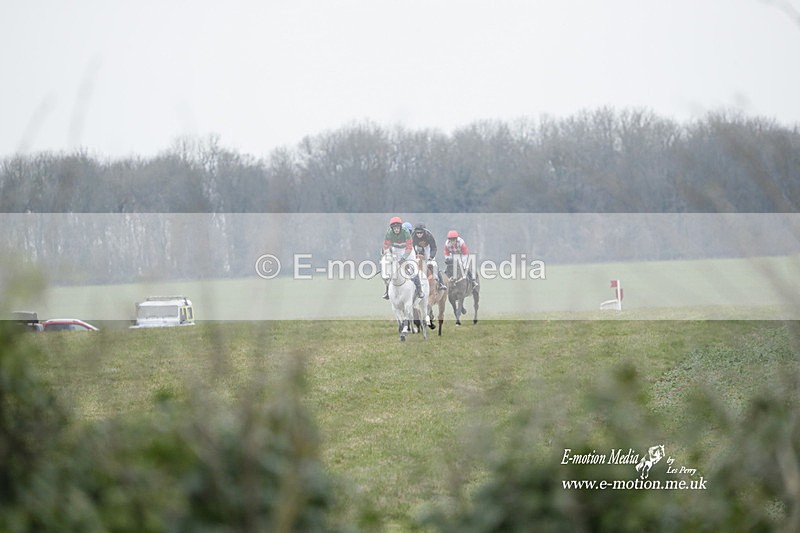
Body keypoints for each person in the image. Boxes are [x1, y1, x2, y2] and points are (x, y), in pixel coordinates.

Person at [381, 216, 424, 300]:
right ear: (392, 228)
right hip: (395, 249)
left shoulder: (406, 232)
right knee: (390, 270)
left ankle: (419, 290)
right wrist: (388, 255)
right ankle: (387, 292)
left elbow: (409, 247)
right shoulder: (388, 233)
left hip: (407, 250)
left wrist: (404, 258)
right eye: (394, 228)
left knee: (413, 269)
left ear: (400, 227)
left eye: (397, 227)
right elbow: (386, 246)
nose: (396, 229)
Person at [412, 223, 446, 291]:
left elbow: (434, 248)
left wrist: (431, 257)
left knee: (434, 264)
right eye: (417, 232)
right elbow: (412, 248)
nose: (419, 234)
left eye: (421, 232)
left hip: (427, 248)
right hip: (418, 249)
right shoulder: (412, 236)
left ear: (424, 231)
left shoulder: (429, 235)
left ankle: (441, 283)